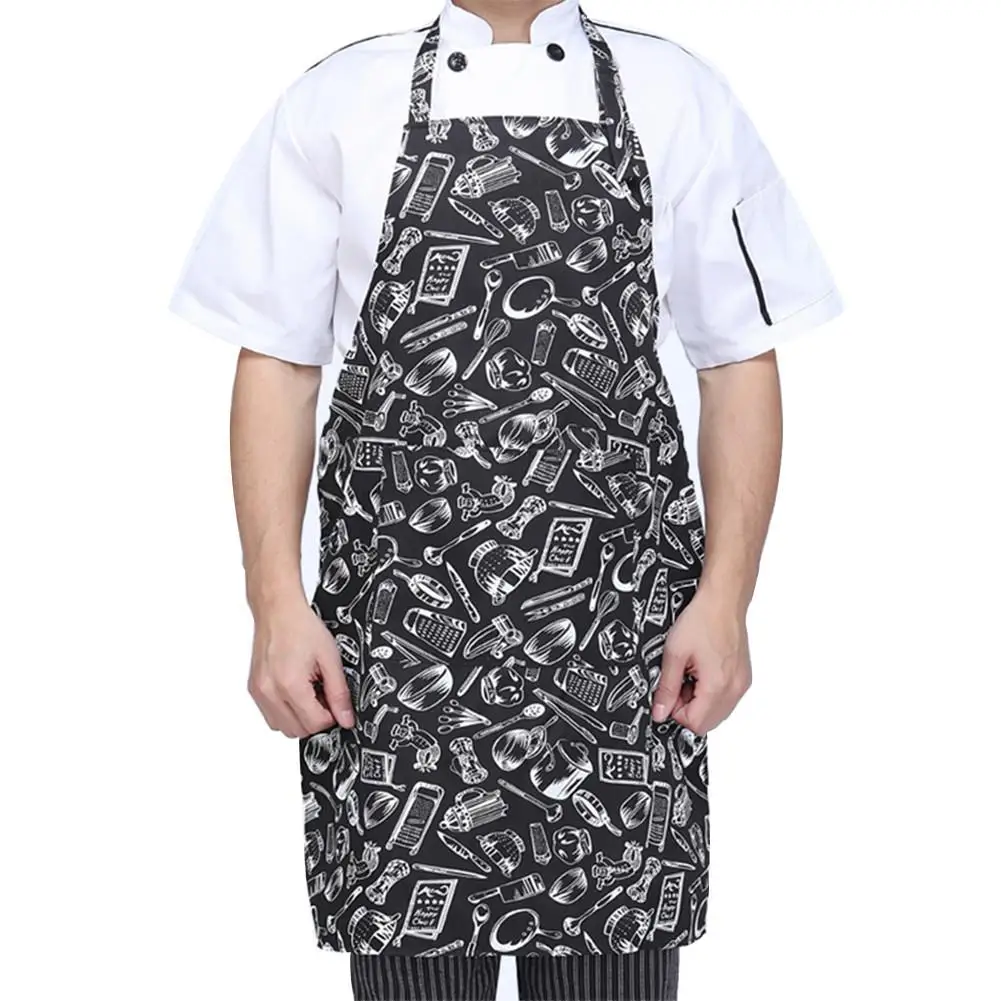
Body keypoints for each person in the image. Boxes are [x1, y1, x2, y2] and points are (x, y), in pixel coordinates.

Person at [168, 1, 843, 998]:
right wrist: (273, 601)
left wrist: (726, 599)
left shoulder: (678, 93)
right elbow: (278, 361)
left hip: (619, 648)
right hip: (397, 653)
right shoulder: (336, 98)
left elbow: (738, 358)